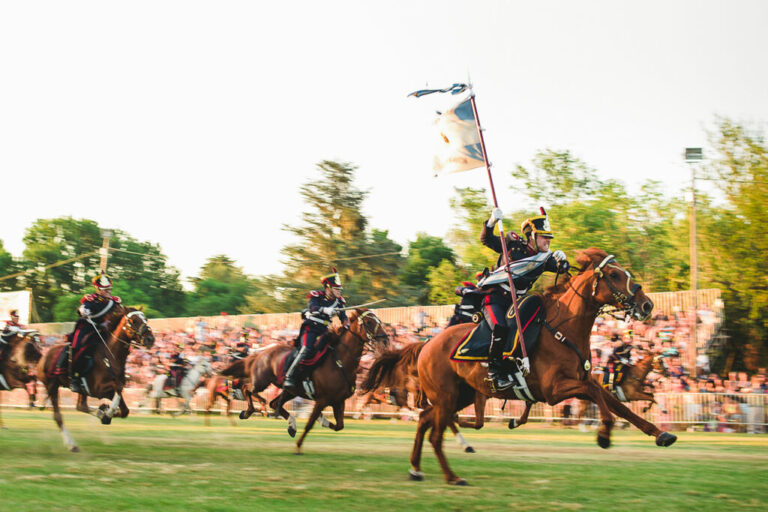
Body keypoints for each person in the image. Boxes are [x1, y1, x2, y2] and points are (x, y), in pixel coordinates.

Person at [479, 206, 569, 391]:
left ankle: (516, 363)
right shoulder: (512, 245)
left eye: (550, 238)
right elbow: (486, 240)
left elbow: (561, 268)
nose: (548, 241)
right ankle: (495, 374)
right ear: (532, 237)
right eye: (545, 237)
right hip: (496, 298)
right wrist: (490, 223)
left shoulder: (543, 258)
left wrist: (563, 261)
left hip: (516, 302)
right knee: (500, 326)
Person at [283, 268, 349, 393]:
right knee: (306, 349)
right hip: (311, 328)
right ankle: (289, 376)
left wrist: (347, 325)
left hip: (325, 330)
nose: (339, 291)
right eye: (336, 289)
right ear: (328, 288)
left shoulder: (339, 302)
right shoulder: (316, 296)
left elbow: (343, 317)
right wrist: (324, 310)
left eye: (340, 289)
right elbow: (312, 308)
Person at [68, 272, 122, 394]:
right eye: (105, 289)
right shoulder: (91, 299)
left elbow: (120, 313)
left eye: (109, 289)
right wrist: (83, 310)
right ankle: (74, 378)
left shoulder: (114, 302)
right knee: (78, 347)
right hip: (88, 327)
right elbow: (82, 308)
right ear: (97, 289)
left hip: (104, 330)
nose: (108, 291)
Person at [0, 309, 25, 376]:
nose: (17, 319)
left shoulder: (19, 326)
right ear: (11, 317)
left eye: (17, 317)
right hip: (3, 343)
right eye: (15, 317)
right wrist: (21, 330)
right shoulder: (9, 324)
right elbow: (15, 329)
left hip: (12, 344)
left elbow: (22, 331)